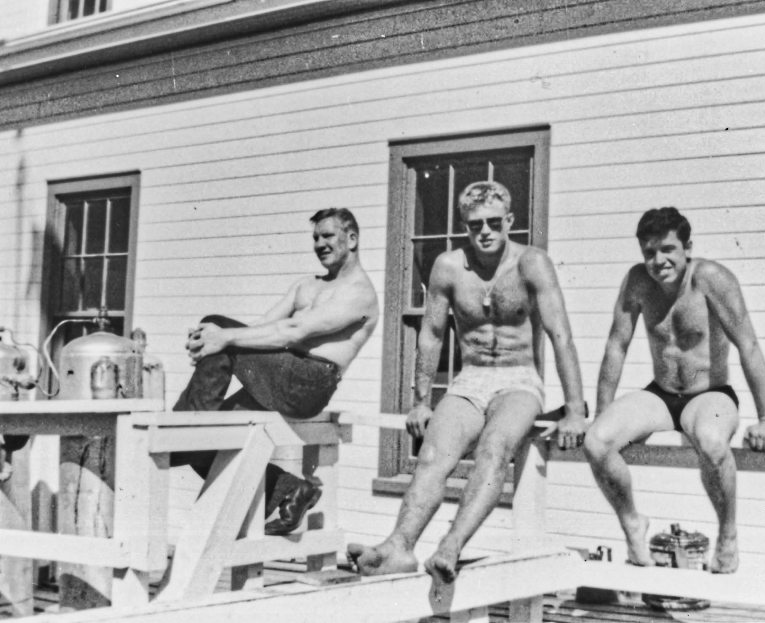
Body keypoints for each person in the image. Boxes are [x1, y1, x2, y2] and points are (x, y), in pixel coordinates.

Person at [347, 181, 587, 584]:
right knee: (432, 456)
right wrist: (421, 400)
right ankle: (399, 546)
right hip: (470, 378)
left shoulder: (532, 263)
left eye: (495, 222)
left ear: (511, 221)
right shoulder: (449, 267)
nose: (486, 232)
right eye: (476, 225)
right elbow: (432, 334)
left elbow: (560, 335)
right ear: (465, 226)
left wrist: (576, 409)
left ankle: (451, 546)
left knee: (495, 448)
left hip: (519, 380)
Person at [583, 207, 765, 573]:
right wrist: (601, 412)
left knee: (712, 442)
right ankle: (632, 522)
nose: (658, 261)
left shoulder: (712, 279)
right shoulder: (638, 281)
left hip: (709, 394)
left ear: (687, 246)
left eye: (668, 249)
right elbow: (616, 346)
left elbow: (748, 345)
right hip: (660, 394)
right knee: (596, 441)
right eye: (649, 252)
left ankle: (727, 535)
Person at [173, 208, 378, 536]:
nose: (320, 244)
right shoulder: (305, 286)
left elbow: (294, 331)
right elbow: (261, 328)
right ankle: (291, 490)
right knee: (196, 447)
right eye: (315, 238)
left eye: (328, 235)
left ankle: (187, 426)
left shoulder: (359, 292)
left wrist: (222, 336)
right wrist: (209, 340)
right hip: (279, 375)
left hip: (309, 382)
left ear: (351, 239)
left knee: (221, 328)